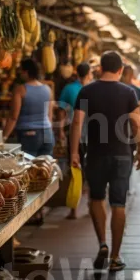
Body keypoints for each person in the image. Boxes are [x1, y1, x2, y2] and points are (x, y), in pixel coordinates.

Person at [70, 51, 140, 272]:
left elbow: (76, 123)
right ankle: (115, 257)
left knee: (96, 198)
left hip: (94, 154)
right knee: (118, 204)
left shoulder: (87, 91)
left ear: (100, 68)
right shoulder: (128, 92)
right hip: (122, 155)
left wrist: (74, 152)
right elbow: (138, 126)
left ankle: (102, 242)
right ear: (121, 70)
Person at [59, 63, 93, 220]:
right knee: (91, 172)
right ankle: (91, 206)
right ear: (89, 74)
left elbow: (61, 112)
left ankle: (73, 209)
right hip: (92, 136)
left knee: (75, 170)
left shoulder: (68, 88)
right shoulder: (93, 89)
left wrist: (60, 130)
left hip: (75, 135)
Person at [3, 59, 55, 156]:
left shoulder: (21, 90)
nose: (20, 73)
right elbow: (50, 116)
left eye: (21, 70)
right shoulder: (47, 89)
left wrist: (4, 137)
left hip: (29, 135)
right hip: (48, 133)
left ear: (26, 72)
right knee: (46, 167)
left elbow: (13, 117)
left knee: (29, 168)